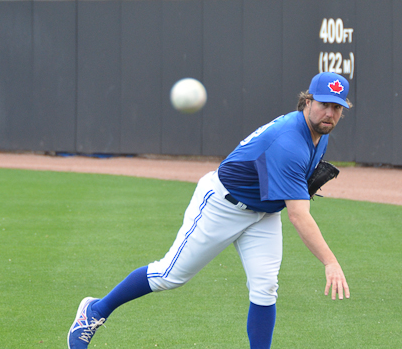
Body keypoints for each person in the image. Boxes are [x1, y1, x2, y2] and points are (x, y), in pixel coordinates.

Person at [68, 72, 352, 348]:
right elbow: (299, 215)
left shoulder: (320, 132)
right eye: (324, 104)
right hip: (222, 205)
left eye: (336, 107)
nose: (329, 113)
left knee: (265, 288)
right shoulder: (289, 142)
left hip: (263, 213)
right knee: (169, 275)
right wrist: (330, 262)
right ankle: (94, 311)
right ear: (308, 102)